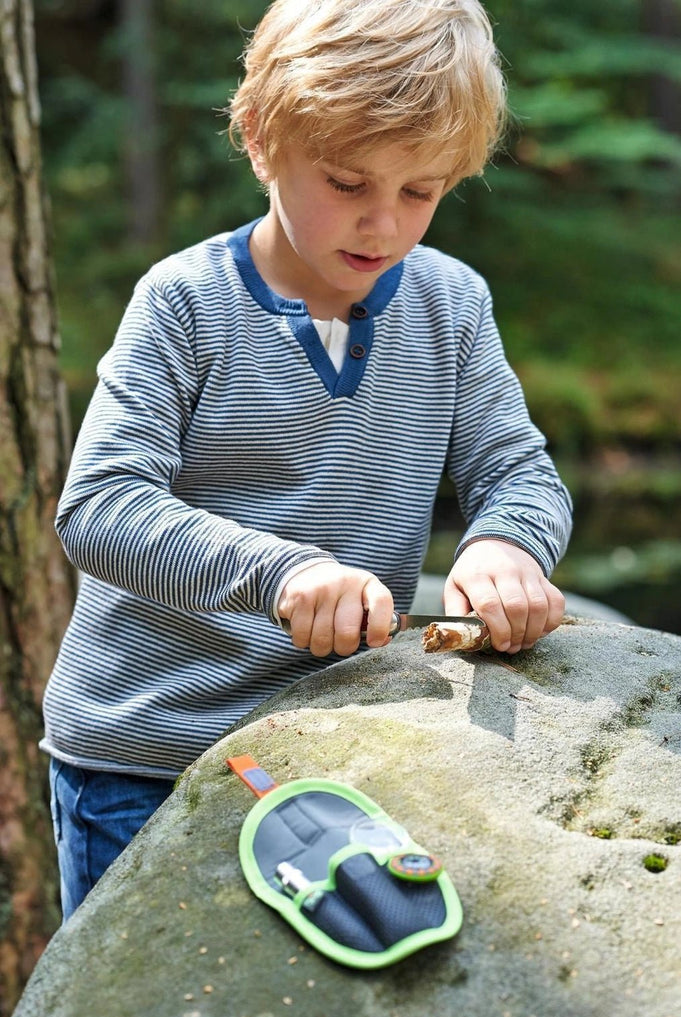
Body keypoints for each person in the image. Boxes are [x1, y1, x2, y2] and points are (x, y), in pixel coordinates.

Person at [42, 0, 572, 920]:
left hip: (341, 750)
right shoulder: (184, 304)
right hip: (147, 754)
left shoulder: (451, 304)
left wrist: (506, 547)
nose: (384, 226)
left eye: (420, 192)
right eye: (345, 181)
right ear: (258, 138)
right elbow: (99, 507)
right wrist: (279, 575)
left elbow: (516, 471)